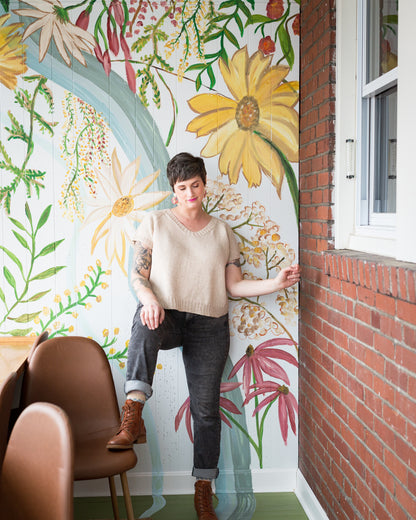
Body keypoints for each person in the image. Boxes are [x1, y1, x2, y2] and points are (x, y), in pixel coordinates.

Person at [107, 152, 301, 520]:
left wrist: (275, 283)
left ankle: (202, 489)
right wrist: (148, 299)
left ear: (204, 184)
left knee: (206, 411)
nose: (191, 192)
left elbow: (234, 286)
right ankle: (133, 415)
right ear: (174, 191)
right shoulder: (155, 222)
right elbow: (138, 276)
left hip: (209, 325)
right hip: (166, 314)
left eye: (196, 184)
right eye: (183, 187)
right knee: (142, 320)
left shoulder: (223, 233)